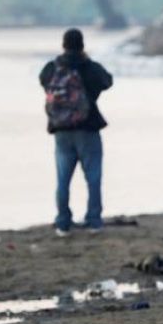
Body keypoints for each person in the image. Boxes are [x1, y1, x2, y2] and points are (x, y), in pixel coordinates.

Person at [39, 28, 113, 236]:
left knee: (63, 179)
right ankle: (94, 221)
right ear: (82, 45)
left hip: (61, 131)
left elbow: (43, 82)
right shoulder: (89, 67)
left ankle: (63, 223)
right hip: (88, 129)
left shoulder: (52, 68)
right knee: (93, 177)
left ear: (63, 45)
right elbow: (107, 81)